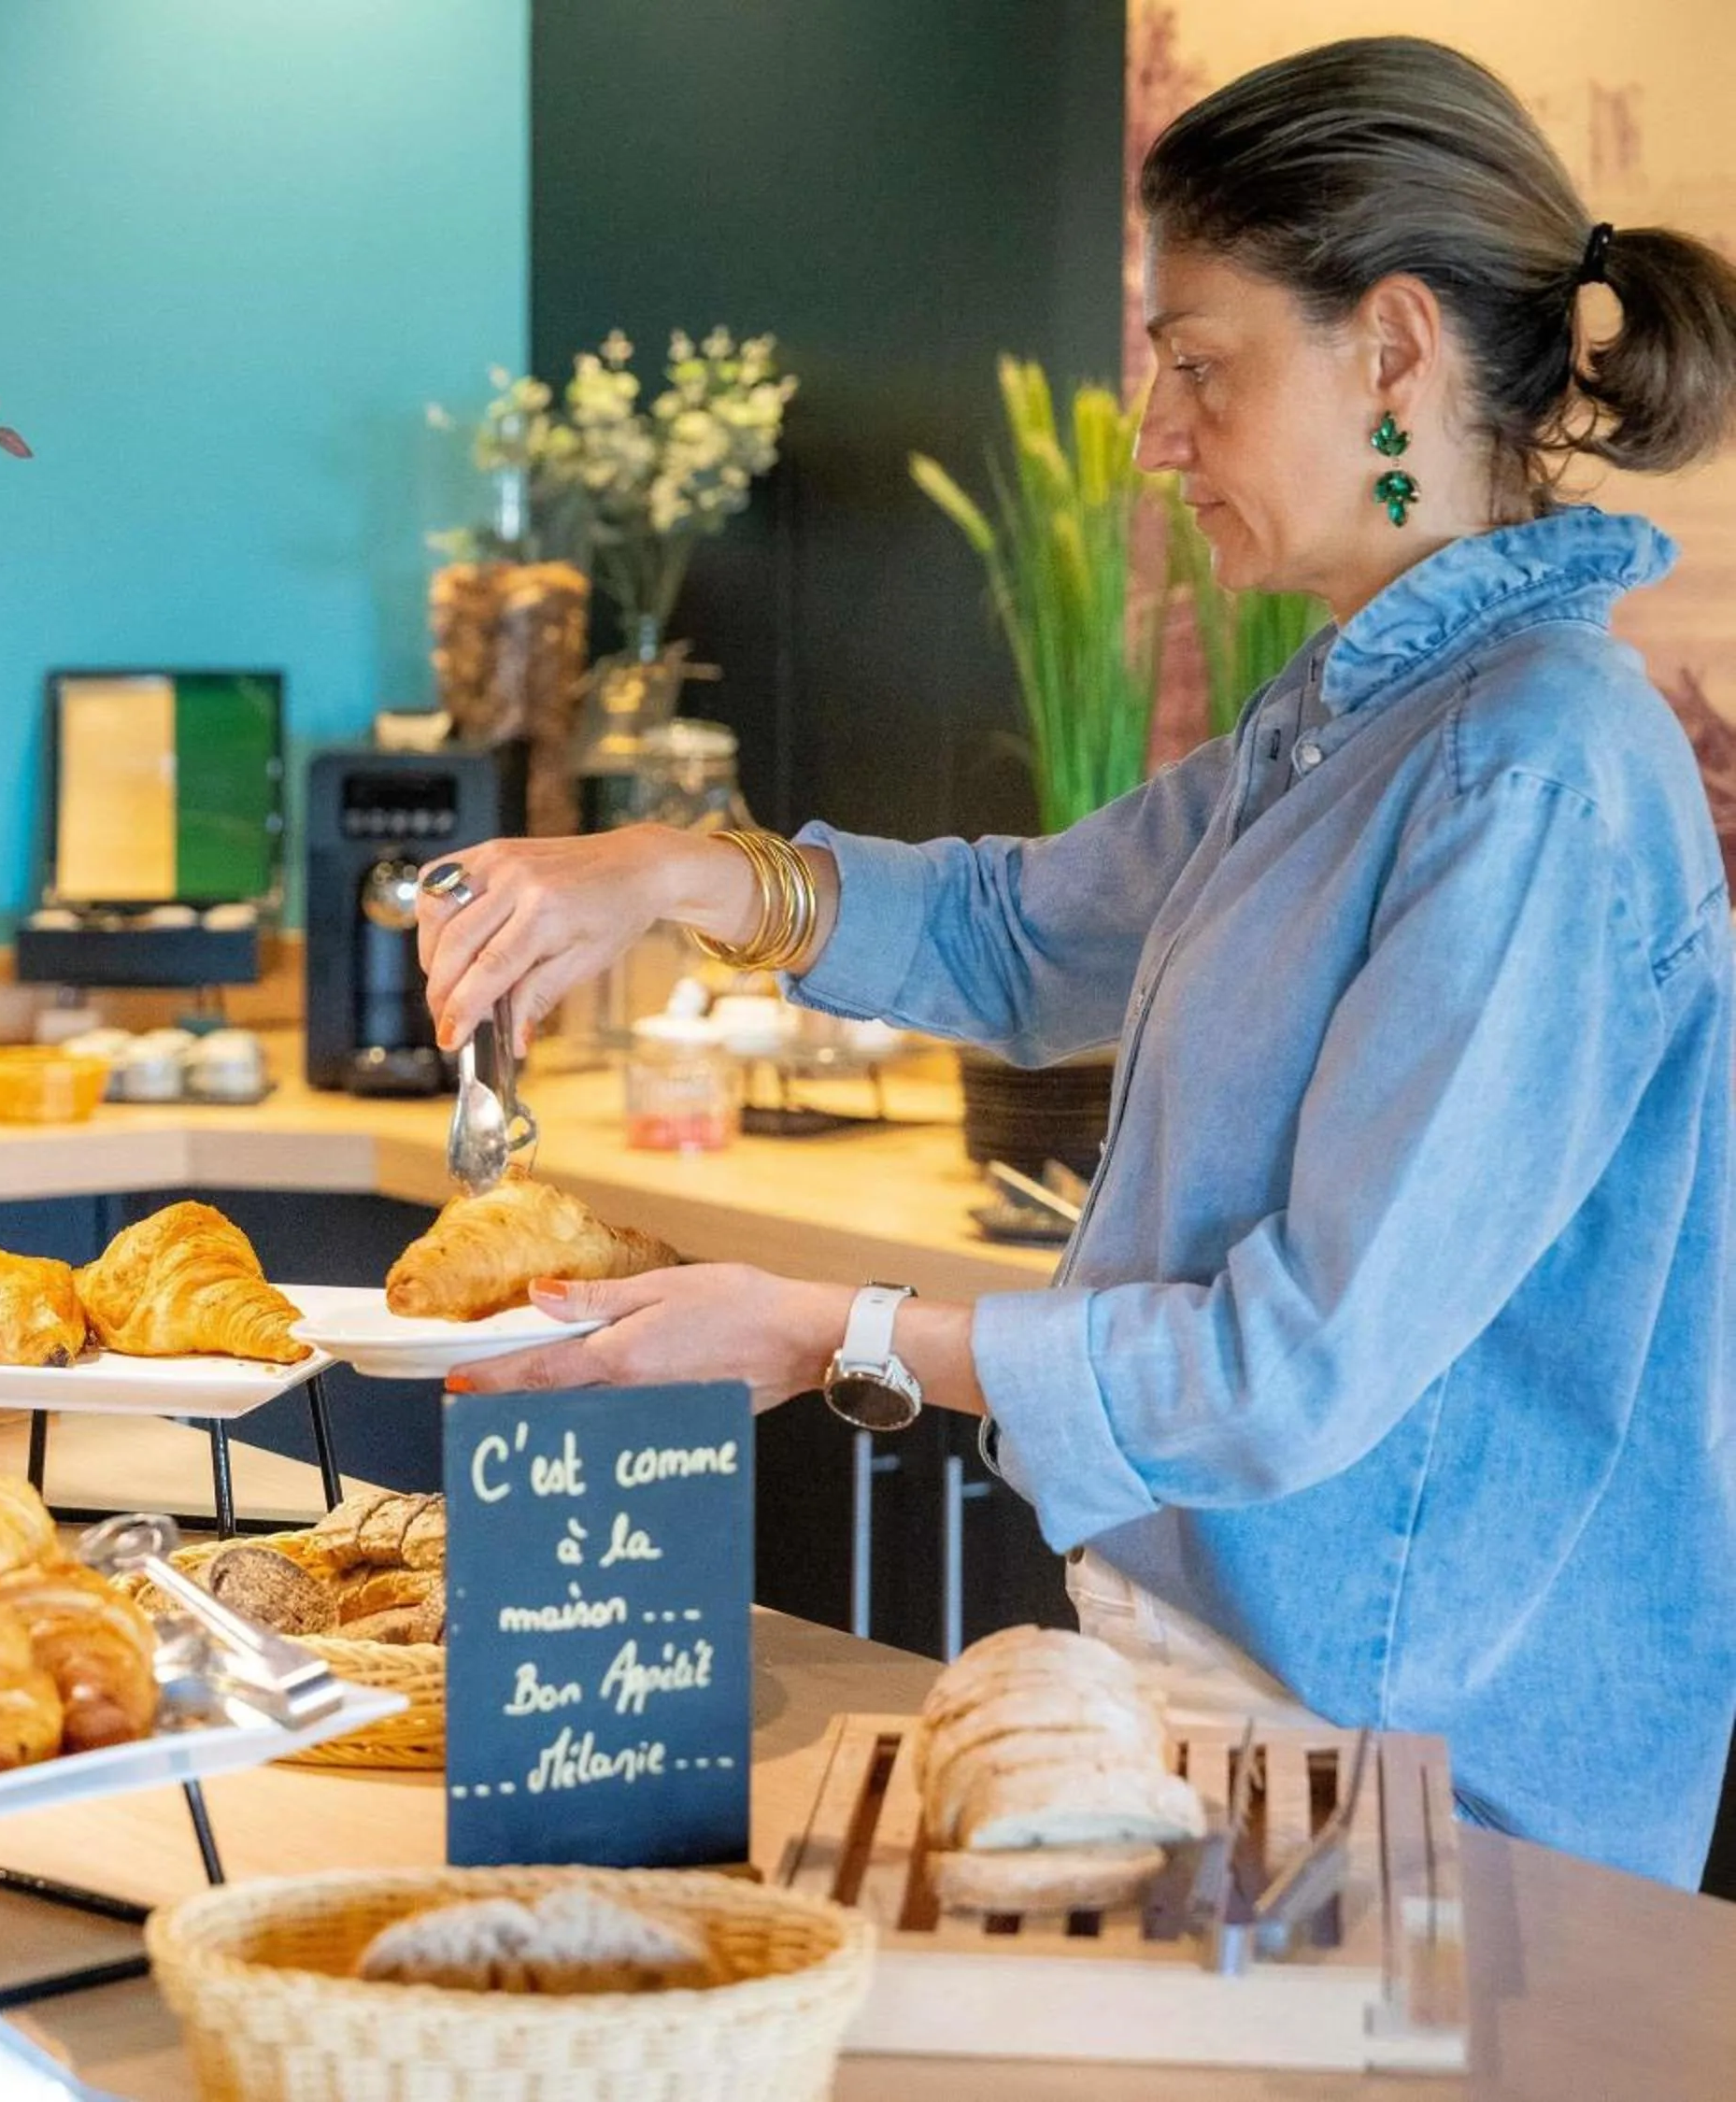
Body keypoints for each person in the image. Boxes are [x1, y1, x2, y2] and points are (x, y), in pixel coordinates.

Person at [414, 35, 1736, 1889]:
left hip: (1447, 1804)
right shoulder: (1369, 710)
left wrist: (834, 1331)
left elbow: (1294, 1367)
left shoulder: (1531, 770)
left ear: (1396, 352)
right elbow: (1028, 932)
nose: (1158, 428)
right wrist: (665, 873)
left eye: (1198, 364)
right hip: (1264, 1710)